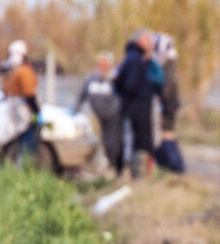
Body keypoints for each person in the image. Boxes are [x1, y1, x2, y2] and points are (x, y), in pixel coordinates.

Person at [114, 29, 158, 178]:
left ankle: (137, 173)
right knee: (140, 141)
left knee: (136, 141)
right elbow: (129, 85)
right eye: (148, 40)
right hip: (137, 108)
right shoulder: (135, 59)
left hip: (134, 106)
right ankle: (138, 175)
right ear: (140, 40)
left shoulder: (133, 57)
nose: (151, 44)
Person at [74, 51, 123, 173]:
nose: (103, 66)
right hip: (96, 117)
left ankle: (116, 166)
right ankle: (101, 167)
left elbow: (123, 96)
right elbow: (82, 95)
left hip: (114, 117)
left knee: (113, 142)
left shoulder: (115, 79)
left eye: (105, 63)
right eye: (101, 63)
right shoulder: (91, 79)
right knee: (98, 142)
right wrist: (75, 110)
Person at [1, 40, 41, 160]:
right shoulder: (24, 71)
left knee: (19, 137)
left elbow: (5, 91)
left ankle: (19, 164)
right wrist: (37, 112)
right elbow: (29, 94)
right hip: (25, 109)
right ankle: (24, 165)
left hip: (15, 108)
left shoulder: (10, 72)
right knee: (28, 138)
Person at [151, 32, 185, 173]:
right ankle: (172, 170)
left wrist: (165, 106)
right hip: (166, 107)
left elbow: (168, 89)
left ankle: (176, 170)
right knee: (164, 137)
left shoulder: (166, 65)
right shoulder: (166, 64)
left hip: (165, 109)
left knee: (166, 137)